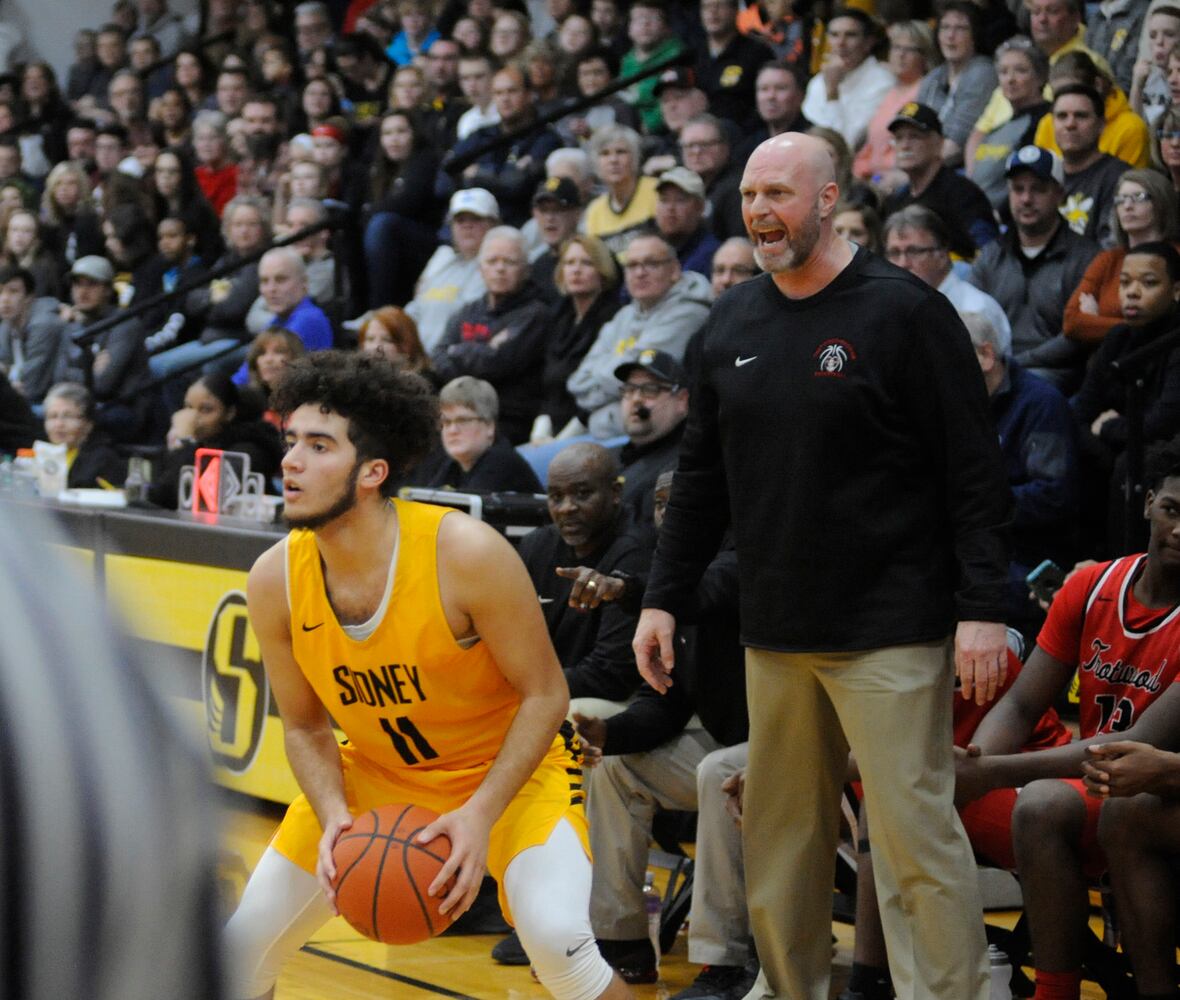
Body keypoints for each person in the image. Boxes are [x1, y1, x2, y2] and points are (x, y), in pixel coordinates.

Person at [634, 133, 1012, 1000]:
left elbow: (975, 472)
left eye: (780, 194)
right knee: (781, 847)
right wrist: (664, 599)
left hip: (891, 627)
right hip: (774, 632)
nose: (762, 214)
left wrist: (982, 608)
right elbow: (697, 481)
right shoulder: (730, 322)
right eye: (750, 197)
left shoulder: (906, 313)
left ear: (831, 197)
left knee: (914, 845)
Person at [223, 350, 629, 1000]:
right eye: (291, 440)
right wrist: (334, 819)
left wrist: (476, 816)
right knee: (236, 956)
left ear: (371, 472)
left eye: (319, 445)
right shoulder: (274, 578)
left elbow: (547, 694)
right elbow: (302, 725)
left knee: (558, 944)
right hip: (373, 778)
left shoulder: (464, 553)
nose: (291, 461)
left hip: (510, 782)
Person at [953, 438, 1180, 1000]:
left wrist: (990, 773)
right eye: (1174, 510)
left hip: (1156, 787)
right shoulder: (1091, 586)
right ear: (1149, 502)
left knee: (1053, 800)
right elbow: (1021, 703)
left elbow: (1131, 745)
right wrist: (976, 760)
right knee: (961, 797)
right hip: (1106, 786)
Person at [575, 469, 750, 997]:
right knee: (614, 768)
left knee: (717, 771)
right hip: (730, 738)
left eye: (683, 503)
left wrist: (627, 590)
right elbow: (662, 703)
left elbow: (712, 591)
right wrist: (606, 732)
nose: (668, 515)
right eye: (659, 504)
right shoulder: (669, 582)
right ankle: (620, 940)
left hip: (798, 740)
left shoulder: (743, 558)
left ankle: (725, 960)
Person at [960, 311, 1080, 639]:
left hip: (1027, 552)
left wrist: (973, 505)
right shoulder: (956, 405)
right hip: (973, 541)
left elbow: (1054, 495)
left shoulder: (1041, 404)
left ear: (985, 355)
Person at [519, 441, 649, 712]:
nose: (567, 507)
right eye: (556, 496)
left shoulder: (636, 552)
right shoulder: (536, 545)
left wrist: (524, 689)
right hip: (548, 686)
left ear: (615, 492)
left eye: (582, 494)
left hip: (621, 700)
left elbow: (612, 675)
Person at [1071, 242, 1180, 551]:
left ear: (1176, 290)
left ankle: (1126, 566)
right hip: (1116, 450)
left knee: (1129, 465)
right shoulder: (1119, 338)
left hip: (1163, 450)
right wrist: (1103, 446)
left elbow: (1163, 423)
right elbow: (1083, 410)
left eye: (1148, 283)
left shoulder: (1175, 343)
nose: (1132, 292)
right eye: (1124, 282)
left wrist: (1108, 429)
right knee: (1070, 445)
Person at [969, 146, 1100, 391]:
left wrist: (1015, 364)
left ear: (1060, 193)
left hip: (1055, 374)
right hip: (993, 369)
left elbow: (1078, 335)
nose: (1026, 199)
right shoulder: (990, 255)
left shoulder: (1087, 257)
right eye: (1018, 189)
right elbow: (970, 319)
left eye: (1038, 189)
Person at [567, 233, 712, 439]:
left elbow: (638, 377)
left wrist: (600, 393)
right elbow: (578, 382)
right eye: (632, 265)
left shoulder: (690, 312)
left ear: (674, 270)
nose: (640, 273)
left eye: (651, 264)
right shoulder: (624, 315)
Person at [430, 226, 551, 443]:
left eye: (510, 262)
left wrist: (456, 351)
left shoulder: (535, 314)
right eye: (492, 261)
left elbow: (499, 362)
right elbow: (438, 357)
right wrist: (483, 350)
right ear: (480, 269)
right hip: (458, 415)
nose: (500, 269)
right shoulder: (467, 311)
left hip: (507, 422)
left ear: (525, 269)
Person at [1064, 169, 1180, 345]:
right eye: (1120, 200)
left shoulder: (1177, 257)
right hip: (1108, 362)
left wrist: (1099, 321)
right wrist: (1137, 326)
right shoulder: (1108, 260)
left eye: (1138, 198)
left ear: (1161, 202)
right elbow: (1072, 323)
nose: (1127, 206)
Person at [879, 102, 998, 260]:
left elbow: (988, 253)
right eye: (899, 138)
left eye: (914, 137)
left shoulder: (963, 193)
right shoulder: (896, 200)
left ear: (939, 143)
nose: (905, 146)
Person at [146, 372, 283, 507]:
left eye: (205, 409)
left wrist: (185, 443)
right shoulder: (200, 444)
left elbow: (201, 497)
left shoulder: (250, 449)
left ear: (229, 413)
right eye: (188, 407)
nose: (192, 418)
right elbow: (161, 495)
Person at [883, 205, 1011, 345]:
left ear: (942, 254)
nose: (902, 263)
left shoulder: (977, 309)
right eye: (894, 253)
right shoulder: (885, 311)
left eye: (913, 251)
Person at [411, 375, 542, 493]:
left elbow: (466, 514)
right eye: (446, 422)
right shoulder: (452, 465)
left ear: (490, 426)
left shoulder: (501, 461)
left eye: (463, 420)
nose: (453, 430)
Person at [405, 187, 498, 353]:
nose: (467, 225)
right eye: (460, 220)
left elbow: (469, 317)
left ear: (493, 224)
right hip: (416, 358)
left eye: (475, 219)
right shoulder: (442, 257)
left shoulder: (496, 266)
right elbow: (416, 307)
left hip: (451, 360)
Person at [965, 36, 1052, 211]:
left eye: (1020, 70)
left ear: (1041, 77)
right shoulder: (999, 128)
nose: (1010, 79)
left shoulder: (1045, 121)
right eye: (1003, 72)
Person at [850, 21, 934, 192]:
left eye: (910, 49)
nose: (900, 55)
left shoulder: (926, 90)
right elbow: (870, 145)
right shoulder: (889, 91)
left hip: (900, 180)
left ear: (925, 56)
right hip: (872, 179)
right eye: (896, 47)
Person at [613, 349, 689, 536]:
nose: (637, 399)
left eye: (650, 390)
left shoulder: (683, 465)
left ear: (681, 400)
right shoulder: (611, 457)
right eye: (629, 390)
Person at [800, 9, 895, 152]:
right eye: (834, 35)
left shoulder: (883, 82)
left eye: (850, 35)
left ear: (868, 42)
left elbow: (845, 144)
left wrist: (832, 93)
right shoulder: (818, 82)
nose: (840, 43)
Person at [916, 2, 997, 166]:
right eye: (945, 28)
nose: (950, 36)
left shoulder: (983, 73)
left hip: (957, 168)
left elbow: (956, 144)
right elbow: (913, 130)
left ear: (975, 35)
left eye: (960, 28)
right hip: (926, 164)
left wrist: (912, 169)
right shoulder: (933, 77)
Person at [1052, 84, 1130, 246]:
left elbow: (1111, 250)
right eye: (1062, 116)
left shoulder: (1120, 178)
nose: (1070, 124)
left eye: (1080, 116)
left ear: (1101, 125)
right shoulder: (1044, 175)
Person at [694, 0, 771, 130]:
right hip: (701, 135)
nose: (713, 12)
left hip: (745, 135)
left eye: (720, 5)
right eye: (707, 7)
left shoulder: (757, 52)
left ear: (735, 10)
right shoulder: (693, 54)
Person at [584, 125, 658, 257]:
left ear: (635, 157)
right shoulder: (594, 211)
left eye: (621, 152)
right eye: (605, 153)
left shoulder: (656, 191)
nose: (613, 160)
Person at [0, 263, 68, 404]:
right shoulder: (6, 325)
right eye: (0, 292)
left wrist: (8, 385)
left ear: (29, 297)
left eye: (13, 292)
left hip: (52, 401)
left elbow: (33, 386)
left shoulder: (43, 324)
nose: (5, 299)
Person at [41, 380, 126, 488]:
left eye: (68, 416)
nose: (59, 424)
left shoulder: (103, 461)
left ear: (88, 424)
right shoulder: (41, 453)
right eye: (52, 416)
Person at [654, 168, 720, 280]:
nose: (670, 208)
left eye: (680, 200)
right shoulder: (649, 249)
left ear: (700, 207)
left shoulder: (711, 255)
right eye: (664, 200)